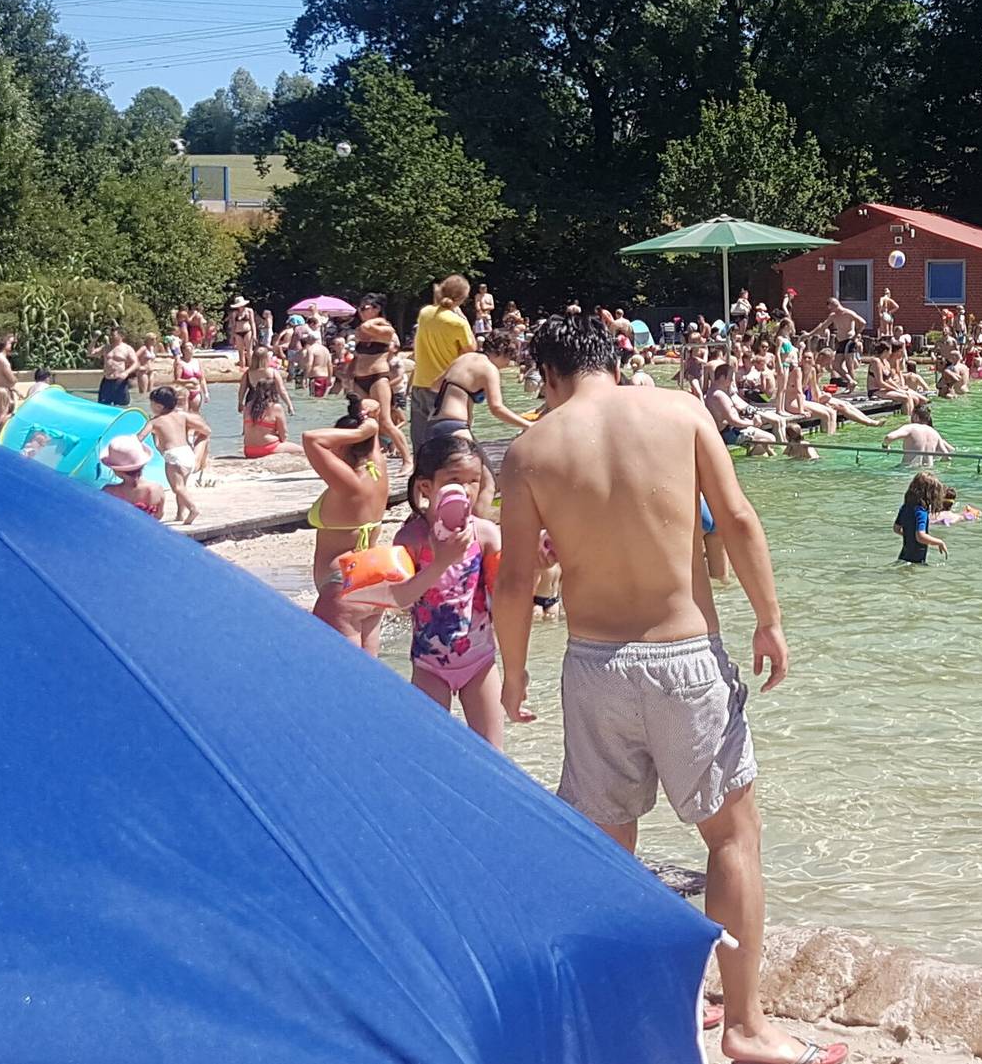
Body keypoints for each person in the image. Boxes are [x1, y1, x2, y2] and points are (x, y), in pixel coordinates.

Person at [492, 316, 840, 1064]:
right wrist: (770, 621)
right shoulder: (681, 411)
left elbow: (516, 580)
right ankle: (745, 1024)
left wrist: (513, 669)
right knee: (732, 840)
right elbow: (739, 519)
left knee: (608, 848)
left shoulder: (529, 451)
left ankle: (622, 1022)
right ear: (614, 359)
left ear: (550, 376)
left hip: (594, 664)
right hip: (684, 656)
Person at [387, 434, 504, 746]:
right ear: (427, 487)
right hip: (429, 666)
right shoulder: (411, 539)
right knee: (431, 752)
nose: (466, 490)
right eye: (455, 480)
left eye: (473, 481)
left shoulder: (486, 534)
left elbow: (508, 593)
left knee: (494, 756)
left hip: (480, 661)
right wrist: (441, 562)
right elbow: (400, 598)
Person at [304, 396, 390, 654]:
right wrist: (369, 426)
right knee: (370, 676)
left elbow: (311, 439)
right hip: (375, 579)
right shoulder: (379, 468)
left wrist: (362, 430)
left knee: (338, 676)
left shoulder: (349, 483)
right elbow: (373, 419)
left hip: (342, 585)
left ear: (344, 445)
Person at [410, 275, 477, 455]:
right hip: (445, 387)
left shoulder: (425, 313)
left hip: (420, 382)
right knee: (448, 440)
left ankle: (419, 478)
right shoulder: (458, 323)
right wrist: (462, 317)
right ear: (462, 298)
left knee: (420, 441)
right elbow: (471, 351)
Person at [425, 330, 530, 439]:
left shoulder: (463, 358)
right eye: (510, 357)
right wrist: (529, 425)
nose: (508, 364)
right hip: (456, 427)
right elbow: (497, 408)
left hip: (432, 425)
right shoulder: (489, 368)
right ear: (502, 352)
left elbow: (435, 386)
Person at [350, 294, 412, 467]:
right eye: (359, 308)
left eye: (364, 308)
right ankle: (371, 457)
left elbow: (370, 327)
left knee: (385, 421)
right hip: (359, 379)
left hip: (378, 378)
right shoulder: (362, 328)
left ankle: (407, 460)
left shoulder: (386, 329)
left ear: (376, 309)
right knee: (365, 420)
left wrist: (373, 322)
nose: (359, 312)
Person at [137, 386, 210, 525]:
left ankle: (193, 509)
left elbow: (140, 437)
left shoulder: (154, 421)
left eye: (151, 403)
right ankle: (180, 514)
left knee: (177, 487)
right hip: (187, 452)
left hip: (173, 456)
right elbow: (205, 429)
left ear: (158, 406)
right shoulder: (181, 416)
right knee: (182, 487)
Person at [98, 436, 166, 520]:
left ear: (116, 470)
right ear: (143, 465)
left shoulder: (108, 491)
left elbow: (102, 517)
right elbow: (159, 516)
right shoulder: (156, 489)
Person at [894, 471, 950, 565]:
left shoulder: (905, 507)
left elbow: (896, 528)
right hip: (916, 560)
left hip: (903, 556)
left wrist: (910, 535)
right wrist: (940, 542)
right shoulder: (921, 512)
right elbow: (920, 536)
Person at [241, 376, 302, 459]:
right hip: (268, 449)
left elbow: (245, 431)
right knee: (302, 450)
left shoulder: (248, 406)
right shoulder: (276, 407)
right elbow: (284, 436)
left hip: (249, 450)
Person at [883, 402, 952, 468]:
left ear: (916, 417)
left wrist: (885, 446)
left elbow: (889, 437)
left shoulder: (911, 427)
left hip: (908, 470)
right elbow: (947, 457)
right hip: (928, 472)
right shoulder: (935, 433)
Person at [92, 327, 137, 406]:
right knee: (103, 405)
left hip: (119, 380)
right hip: (107, 380)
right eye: (110, 335)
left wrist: (126, 372)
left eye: (113, 335)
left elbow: (135, 363)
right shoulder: (106, 347)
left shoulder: (127, 349)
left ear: (121, 336)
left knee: (122, 405)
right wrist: (94, 340)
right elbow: (91, 353)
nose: (111, 337)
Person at [227, 297, 256, 366]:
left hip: (247, 331)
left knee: (249, 351)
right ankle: (242, 367)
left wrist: (254, 334)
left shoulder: (249, 311)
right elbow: (233, 325)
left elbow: (252, 323)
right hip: (238, 332)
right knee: (240, 352)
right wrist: (232, 336)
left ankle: (251, 367)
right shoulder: (235, 313)